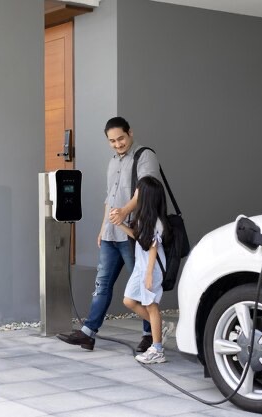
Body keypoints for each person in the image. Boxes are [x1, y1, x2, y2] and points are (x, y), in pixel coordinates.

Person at [56, 116, 174, 352]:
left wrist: (124, 213)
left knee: (141, 287)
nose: (118, 144)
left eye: (120, 138)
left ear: (130, 132)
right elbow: (109, 199)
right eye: (112, 141)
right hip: (112, 233)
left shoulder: (144, 155)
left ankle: (149, 335)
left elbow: (146, 190)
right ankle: (88, 334)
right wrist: (103, 227)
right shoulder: (112, 162)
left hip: (135, 233)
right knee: (102, 285)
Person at [115, 175, 174, 363]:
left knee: (151, 305)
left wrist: (149, 275)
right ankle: (161, 327)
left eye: (138, 191)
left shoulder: (156, 221)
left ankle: (157, 350)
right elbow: (141, 239)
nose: (135, 193)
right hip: (142, 268)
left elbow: (153, 249)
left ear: (145, 195)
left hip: (151, 268)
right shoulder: (144, 218)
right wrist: (120, 225)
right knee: (129, 300)